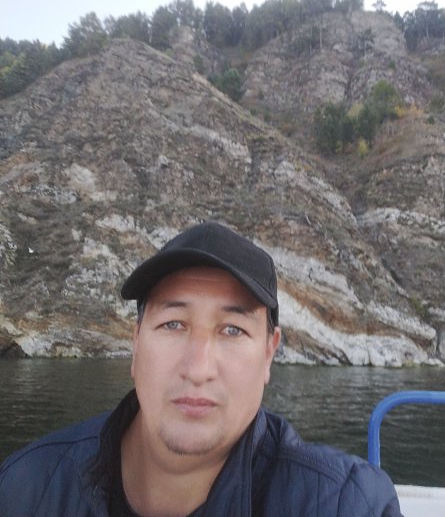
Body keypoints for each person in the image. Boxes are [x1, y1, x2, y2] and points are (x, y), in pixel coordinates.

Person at [0, 221, 402, 517]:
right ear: (136, 343)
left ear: (268, 353)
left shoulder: (344, 504)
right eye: (173, 325)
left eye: (232, 330)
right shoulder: (26, 488)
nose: (198, 369)